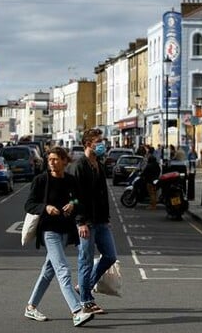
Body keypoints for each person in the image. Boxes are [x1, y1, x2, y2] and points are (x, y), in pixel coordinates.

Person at [24, 147, 94, 327]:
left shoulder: (71, 180)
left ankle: (31, 307)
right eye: (49, 159)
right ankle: (77, 311)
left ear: (65, 161)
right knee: (63, 269)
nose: (52, 162)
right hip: (49, 231)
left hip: (65, 231)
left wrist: (72, 204)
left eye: (56, 159)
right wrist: (45, 207)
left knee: (48, 271)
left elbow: (80, 200)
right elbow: (29, 204)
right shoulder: (41, 180)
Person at [68, 128, 117, 315]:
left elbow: (103, 195)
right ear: (88, 144)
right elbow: (75, 197)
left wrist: (106, 218)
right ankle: (86, 301)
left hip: (101, 221)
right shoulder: (79, 166)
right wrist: (80, 222)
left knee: (110, 256)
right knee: (85, 261)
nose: (102, 144)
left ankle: (84, 286)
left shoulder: (98, 164)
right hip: (86, 222)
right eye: (99, 141)